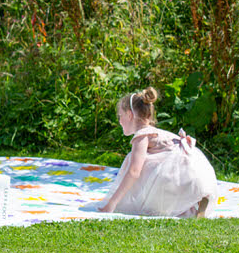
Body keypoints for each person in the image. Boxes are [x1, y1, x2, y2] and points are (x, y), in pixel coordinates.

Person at [90, 87, 218, 218]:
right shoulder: (158, 132)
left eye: (120, 116)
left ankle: (168, 207)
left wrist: (112, 203)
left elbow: (134, 172)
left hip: (175, 174)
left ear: (129, 115)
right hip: (195, 171)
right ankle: (195, 205)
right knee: (151, 159)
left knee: (138, 162)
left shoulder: (142, 135)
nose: (119, 121)